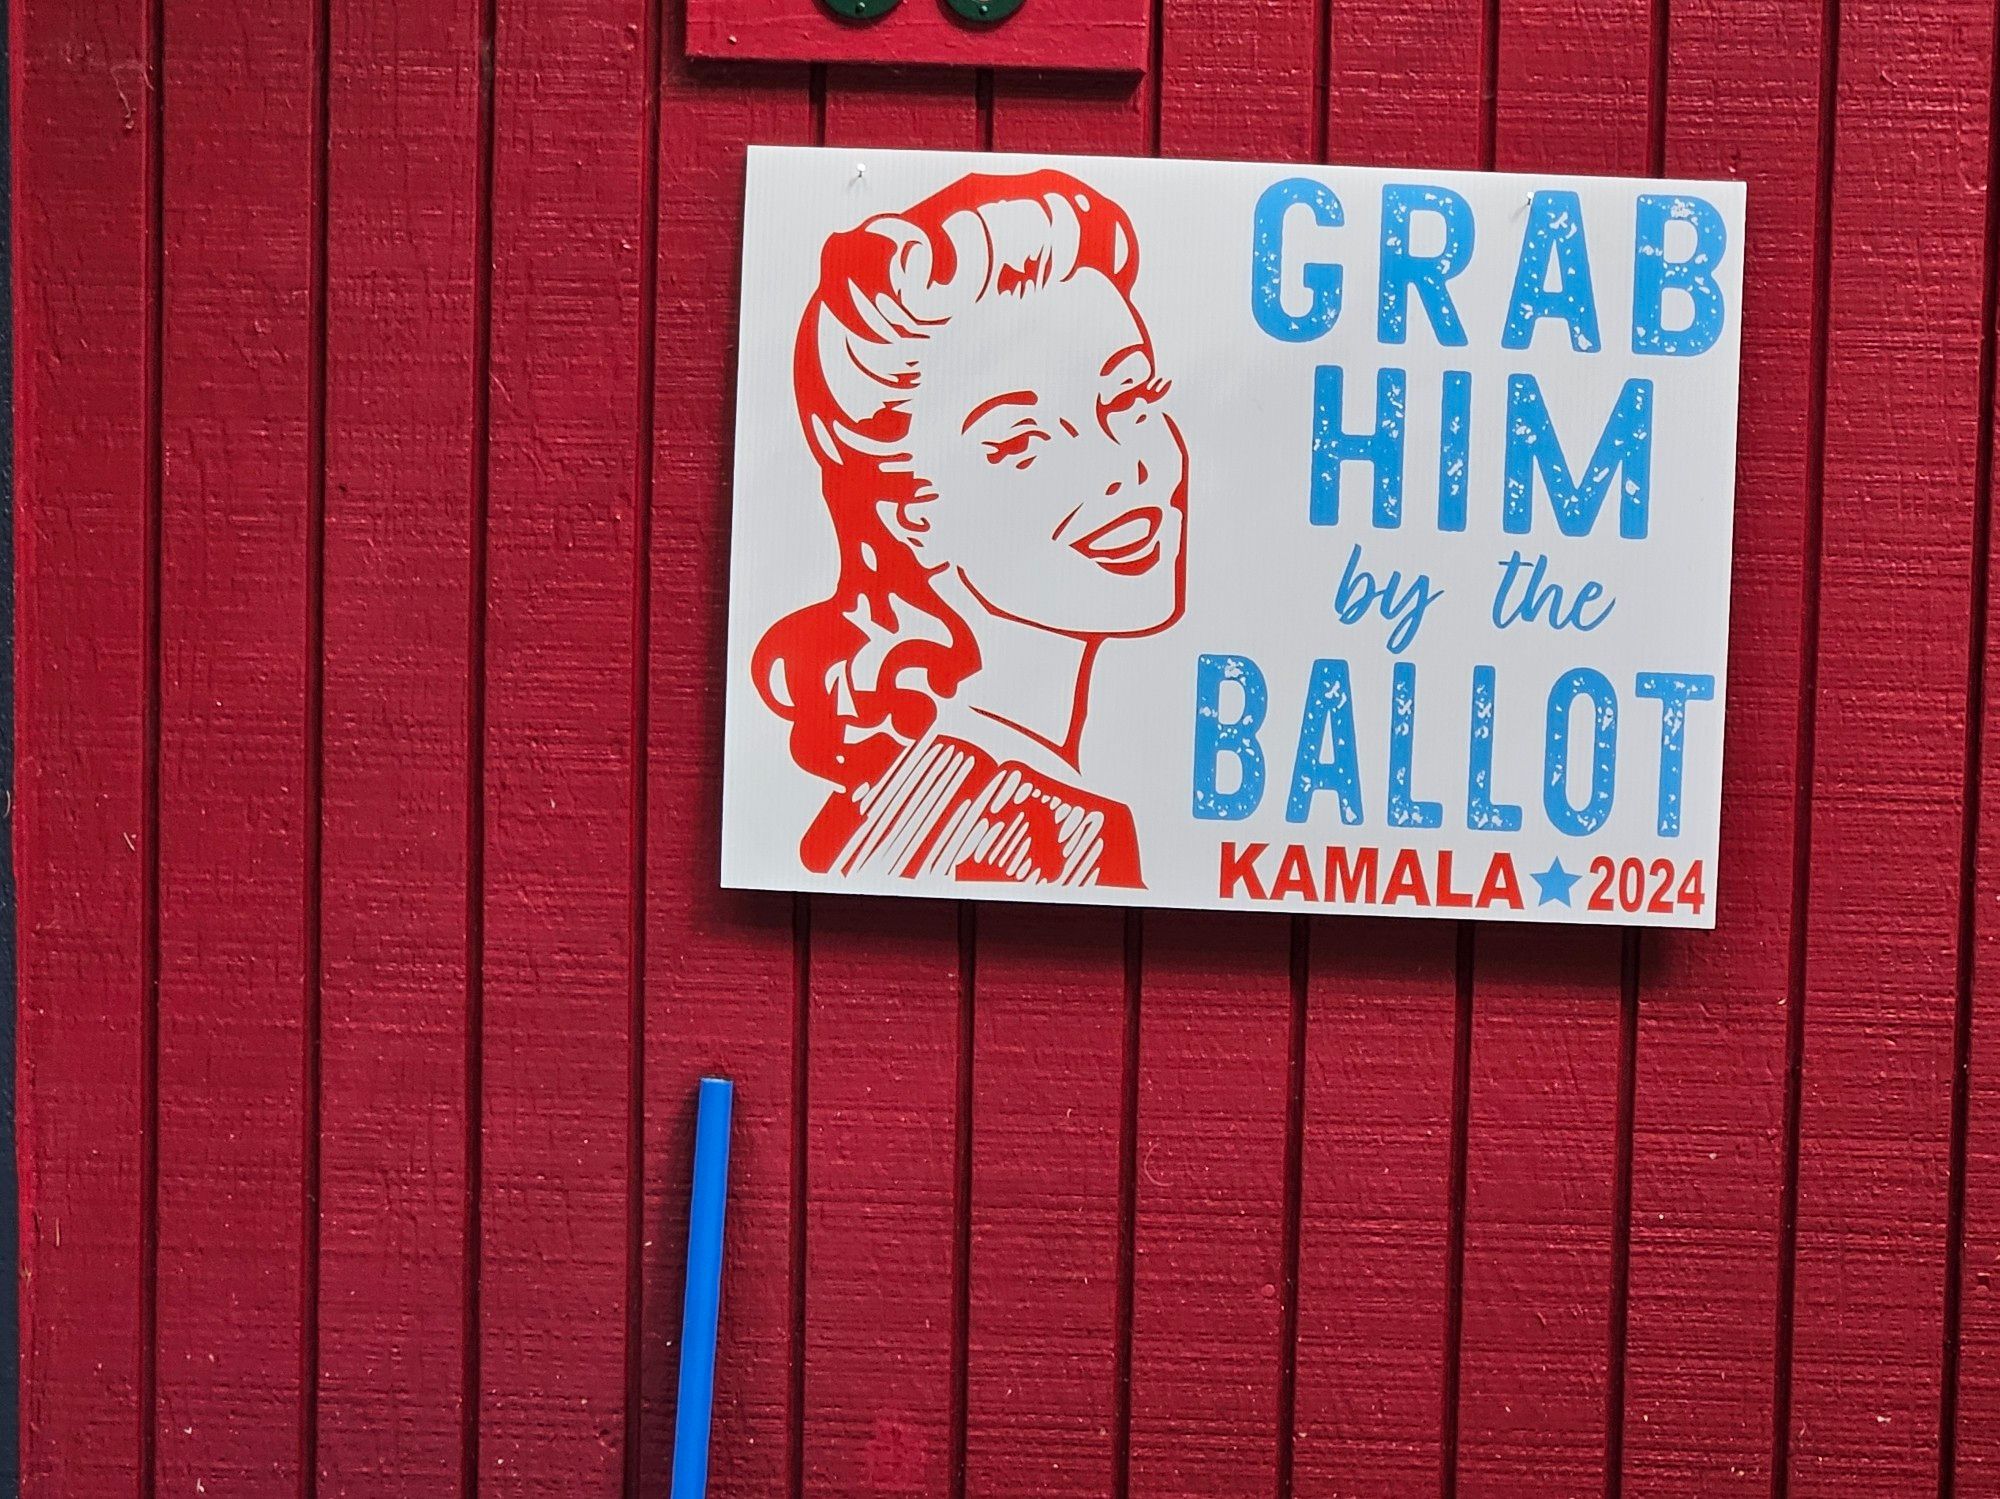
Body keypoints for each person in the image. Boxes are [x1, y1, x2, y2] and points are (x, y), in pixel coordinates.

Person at [754, 168, 1187, 888]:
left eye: (1131, 397)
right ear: (911, 514)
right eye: (1022, 439)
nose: (1122, 466)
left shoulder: (972, 793)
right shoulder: (1013, 831)